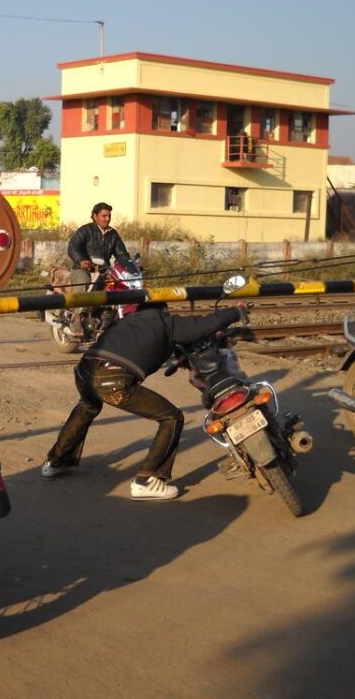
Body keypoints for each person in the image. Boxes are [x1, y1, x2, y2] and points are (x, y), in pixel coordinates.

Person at [42, 301, 247, 501]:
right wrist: (237, 311)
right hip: (113, 381)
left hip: (84, 372)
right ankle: (147, 480)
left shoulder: (126, 321)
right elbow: (204, 324)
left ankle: (55, 461)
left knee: (88, 406)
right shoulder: (164, 320)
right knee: (171, 417)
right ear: (163, 309)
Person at [65, 202, 131, 334]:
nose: (107, 219)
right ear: (95, 216)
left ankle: (106, 316)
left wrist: (130, 264)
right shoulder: (86, 230)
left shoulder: (112, 234)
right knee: (84, 283)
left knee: (115, 286)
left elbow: (121, 254)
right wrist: (81, 260)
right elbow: (73, 247)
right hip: (83, 268)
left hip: (102, 270)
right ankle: (77, 318)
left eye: (109, 216)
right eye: (104, 216)